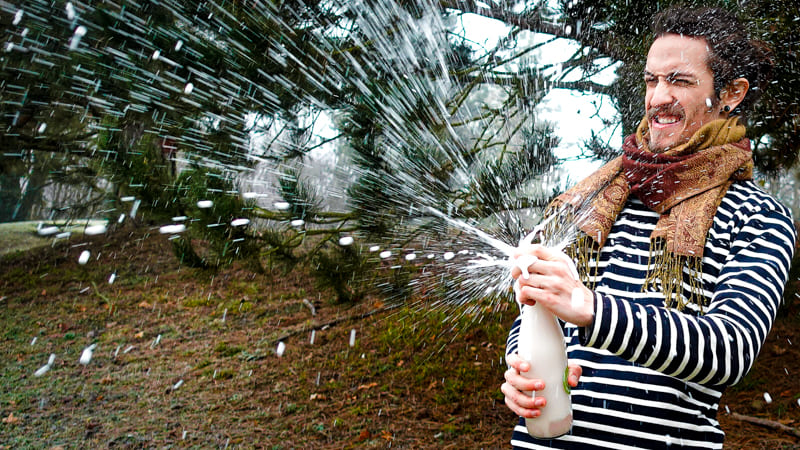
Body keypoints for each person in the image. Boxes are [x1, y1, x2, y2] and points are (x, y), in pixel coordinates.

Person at [502, 6, 797, 449]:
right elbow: (539, 312)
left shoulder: (758, 216)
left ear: (731, 93)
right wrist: (520, 369)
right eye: (651, 80)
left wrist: (593, 310)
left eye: (679, 81)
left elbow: (729, 351)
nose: (658, 97)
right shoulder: (591, 199)